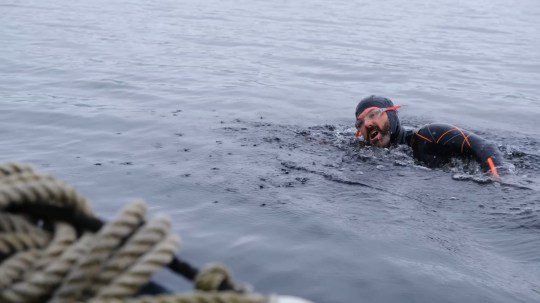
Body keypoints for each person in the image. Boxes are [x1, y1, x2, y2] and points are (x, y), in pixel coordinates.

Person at [354, 95, 505, 178]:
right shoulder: (367, 153)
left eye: (373, 114)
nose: (367, 124)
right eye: (360, 123)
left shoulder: (429, 136)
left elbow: (485, 147)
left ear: (393, 113)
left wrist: (497, 178)